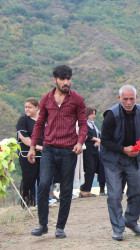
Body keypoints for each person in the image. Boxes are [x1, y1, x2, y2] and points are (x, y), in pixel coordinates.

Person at [28, 65, 87, 238]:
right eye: (62, 79)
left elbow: (83, 124)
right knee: (44, 184)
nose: (66, 82)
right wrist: (32, 147)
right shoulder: (46, 99)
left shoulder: (77, 99)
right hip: (49, 149)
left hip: (69, 151)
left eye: (68, 78)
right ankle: (42, 225)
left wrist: (80, 142)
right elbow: (39, 124)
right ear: (55, 80)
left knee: (66, 189)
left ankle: (60, 227)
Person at [100, 85, 140, 241]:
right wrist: (123, 149)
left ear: (136, 97)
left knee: (139, 189)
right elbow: (105, 141)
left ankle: (131, 221)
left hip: (133, 158)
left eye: (131, 98)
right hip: (113, 159)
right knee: (114, 195)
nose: (128, 102)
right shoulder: (111, 115)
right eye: (125, 99)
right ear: (119, 98)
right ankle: (118, 228)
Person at [16, 98, 44, 208]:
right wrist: (38, 147)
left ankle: (40, 203)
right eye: (26, 107)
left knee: (42, 180)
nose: (27, 109)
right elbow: (24, 138)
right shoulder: (23, 120)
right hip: (27, 155)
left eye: (29, 107)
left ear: (37, 108)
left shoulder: (43, 121)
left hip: (43, 155)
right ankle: (26, 204)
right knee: (28, 180)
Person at [79, 107, 101, 197]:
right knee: (89, 169)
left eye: (94, 114)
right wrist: (96, 139)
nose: (94, 116)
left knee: (93, 169)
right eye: (92, 114)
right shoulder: (84, 124)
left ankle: (88, 189)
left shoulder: (93, 125)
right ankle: (84, 189)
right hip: (87, 149)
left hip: (94, 149)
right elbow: (86, 135)